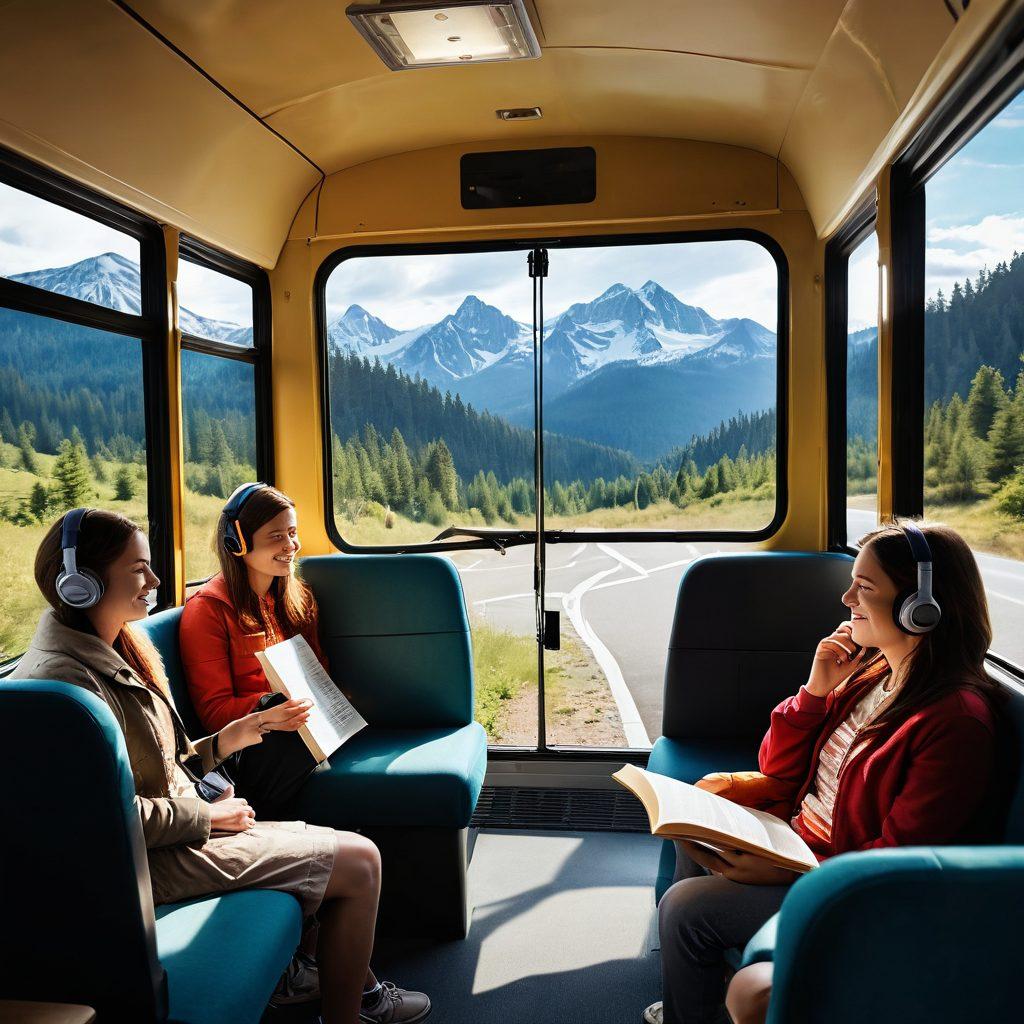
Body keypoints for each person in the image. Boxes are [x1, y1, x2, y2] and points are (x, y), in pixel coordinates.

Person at [15, 508, 430, 1024]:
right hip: (154, 860)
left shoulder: (121, 643)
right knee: (362, 861)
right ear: (82, 584)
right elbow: (106, 820)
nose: (155, 581)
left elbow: (165, 760)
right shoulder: (69, 685)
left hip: (183, 826)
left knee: (334, 852)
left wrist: (228, 739)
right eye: (138, 569)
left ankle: (341, 989)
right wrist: (208, 819)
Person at [643, 520, 1001, 1024]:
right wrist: (814, 692)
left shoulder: (954, 721)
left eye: (866, 587)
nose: (847, 597)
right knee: (693, 831)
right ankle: (699, 989)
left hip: (838, 882)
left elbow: (898, 860)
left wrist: (791, 869)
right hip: (797, 842)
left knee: (685, 910)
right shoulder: (874, 673)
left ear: (921, 609)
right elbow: (777, 767)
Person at [179, 483, 330, 818]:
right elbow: (214, 712)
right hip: (248, 746)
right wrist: (268, 712)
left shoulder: (297, 598)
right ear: (238, 543)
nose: (291, 545)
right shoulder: (208, 610)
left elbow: (320, 673)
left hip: (300, 723)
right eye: (276, 536)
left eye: (292, 533)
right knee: (283, 722)